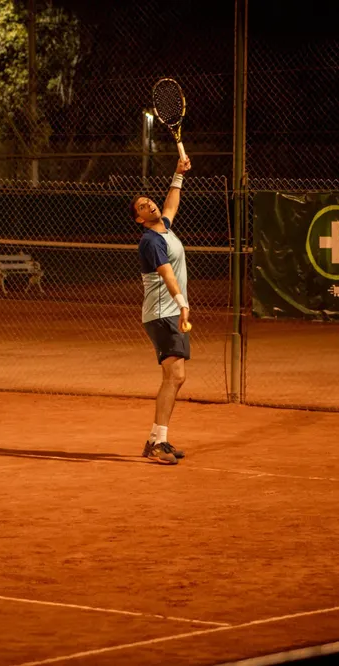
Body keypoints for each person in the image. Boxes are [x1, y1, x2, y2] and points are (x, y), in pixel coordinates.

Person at [131, 155, 192, 465]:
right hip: (162, 313)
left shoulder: (164, 228)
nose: (150, 206)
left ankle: (155, 438)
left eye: (149, 202)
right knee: (175, 375)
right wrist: (183, 305)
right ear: (139, 220)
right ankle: (160, 443)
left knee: (176, 376)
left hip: (167, 312)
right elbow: (167, 274)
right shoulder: (150, 241)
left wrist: (177, 175)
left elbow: (171, 206)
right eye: (142, 207)